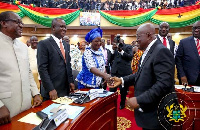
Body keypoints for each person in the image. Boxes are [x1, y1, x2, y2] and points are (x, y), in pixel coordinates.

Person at [108, 23, 175, 129]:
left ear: (148, 35)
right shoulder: (147, 51)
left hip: (158, 114)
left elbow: (164, 84)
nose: (136, 40)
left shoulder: (161, 51)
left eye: (138, 36)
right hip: (149, 113)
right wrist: (121, 80)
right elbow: (140, 75)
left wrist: (140, 100)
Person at [0, 11, 42, 125]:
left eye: (21, 23)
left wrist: (35, 93)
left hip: (26, 104)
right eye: (17, 22)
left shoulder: (23, 47)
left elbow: (28, 72)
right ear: (4, 23)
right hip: (5, 108)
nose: (21, 25)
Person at [37, 18, 75, 101]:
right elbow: (42, 69)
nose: (64, 29)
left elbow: (68, 65)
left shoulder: (66, 45)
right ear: (53, 27)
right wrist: (50, 89)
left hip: (65, 89)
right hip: (52, 91)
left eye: (65, 27)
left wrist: (71, 81)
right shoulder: (44, 44)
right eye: (61, 26)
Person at [109, 35, 133, 109]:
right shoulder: (114, 48)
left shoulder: (128, 47)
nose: (117, 43)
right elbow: (109, 59)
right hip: (114, 72)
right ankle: (112, 105)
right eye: (116, 42)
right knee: (112, 90)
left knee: (123, 91)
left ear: (122, 41)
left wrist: (121, 51)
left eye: (118, 41)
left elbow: (129, 57)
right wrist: (113, 50)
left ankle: (122, 104)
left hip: (124, 73)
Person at [175, 21, 200, 86]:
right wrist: (182, 75)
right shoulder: (184, 42)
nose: (196, 30)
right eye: (194, 28)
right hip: (188, 79)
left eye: (198, 28)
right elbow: (178, 60)